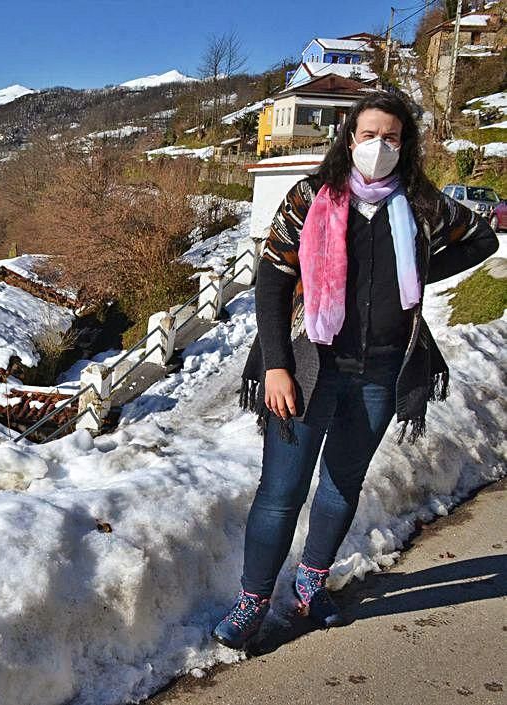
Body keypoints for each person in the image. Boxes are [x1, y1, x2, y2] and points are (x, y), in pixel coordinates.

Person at [212, 91, 499, 650]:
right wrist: (275, 367)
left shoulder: (421, 205)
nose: (378, 147)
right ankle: (252, 602)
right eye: (368, 135)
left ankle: (310, 586)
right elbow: (271, 281)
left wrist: (417, 270)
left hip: (382, 373)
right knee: (281, 490)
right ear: (348, 138)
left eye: (390, 137)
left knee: (343, 486)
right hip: (309, 368)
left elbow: (482, 238)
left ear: (405, 144)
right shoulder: (308, 198)